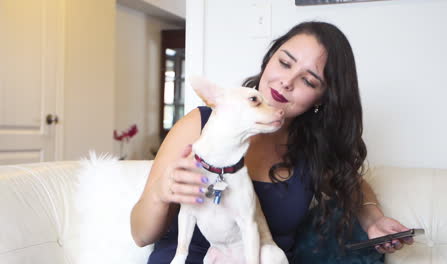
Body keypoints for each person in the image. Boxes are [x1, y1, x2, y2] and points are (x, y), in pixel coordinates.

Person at [130, 21, 413, 263]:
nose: (287, 81)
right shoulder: (201, 123)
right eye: (284, 62)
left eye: (309, 81)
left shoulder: (313, 149)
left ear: (324, 98)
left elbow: (352, 184)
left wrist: (373, 220)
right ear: (269, 59)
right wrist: (160, 193)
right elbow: (140, 235)